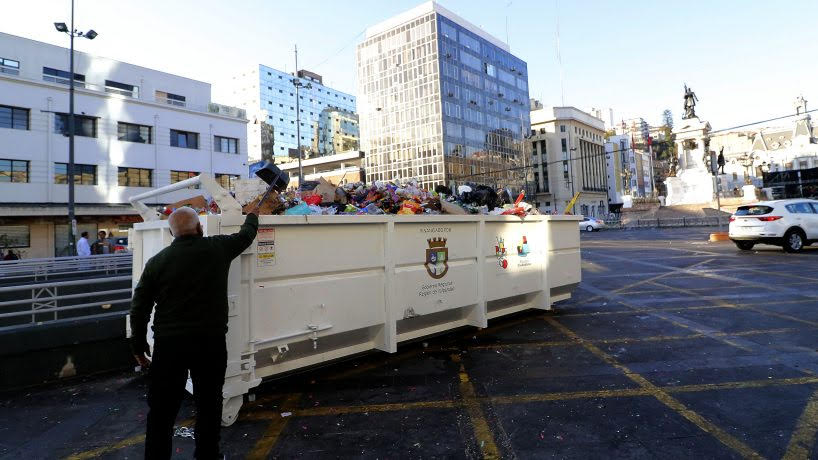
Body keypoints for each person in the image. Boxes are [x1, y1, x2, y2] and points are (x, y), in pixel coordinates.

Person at [130, 203, 262, 459]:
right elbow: (246, 236)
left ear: (172, 234)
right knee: (209, 406)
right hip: (209, 343)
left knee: (161, 412)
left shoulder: (157, 262)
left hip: (169, 347)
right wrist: (253, 215)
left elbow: (139, 307)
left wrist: (138, 346)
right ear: (200, 228)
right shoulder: (216, 248)